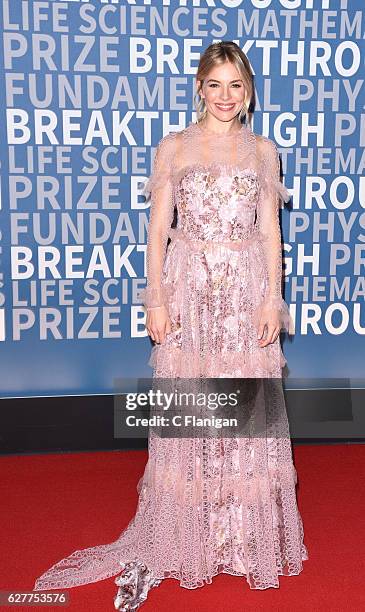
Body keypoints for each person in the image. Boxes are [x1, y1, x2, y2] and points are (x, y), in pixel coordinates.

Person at [34, 41, 308, 610]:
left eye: (236, 85)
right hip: (188, 294)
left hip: (244, 292)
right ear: (200, 88)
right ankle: (187, 535)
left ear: (250, 90)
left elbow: (269, 234)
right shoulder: (175, 148)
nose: (226, 96)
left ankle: (237, 538)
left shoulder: (263, 152)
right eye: (215, 84)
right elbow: (157, 231)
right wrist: (154, 299)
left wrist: (272, 300)